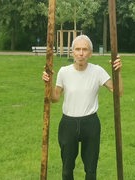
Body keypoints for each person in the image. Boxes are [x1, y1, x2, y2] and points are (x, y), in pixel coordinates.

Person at [42, 34, 123, 180]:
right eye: (77, 49)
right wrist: (48, 83)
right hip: (68, 124)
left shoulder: (97, 71)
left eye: (85, 49)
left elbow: (118, 92)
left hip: (90, 123)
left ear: (90, 53)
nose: (81, 53)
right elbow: (54, 99)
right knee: (67, 169)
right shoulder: (64, 72)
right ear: (72, 52)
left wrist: (118, 72)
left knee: (91, 170)